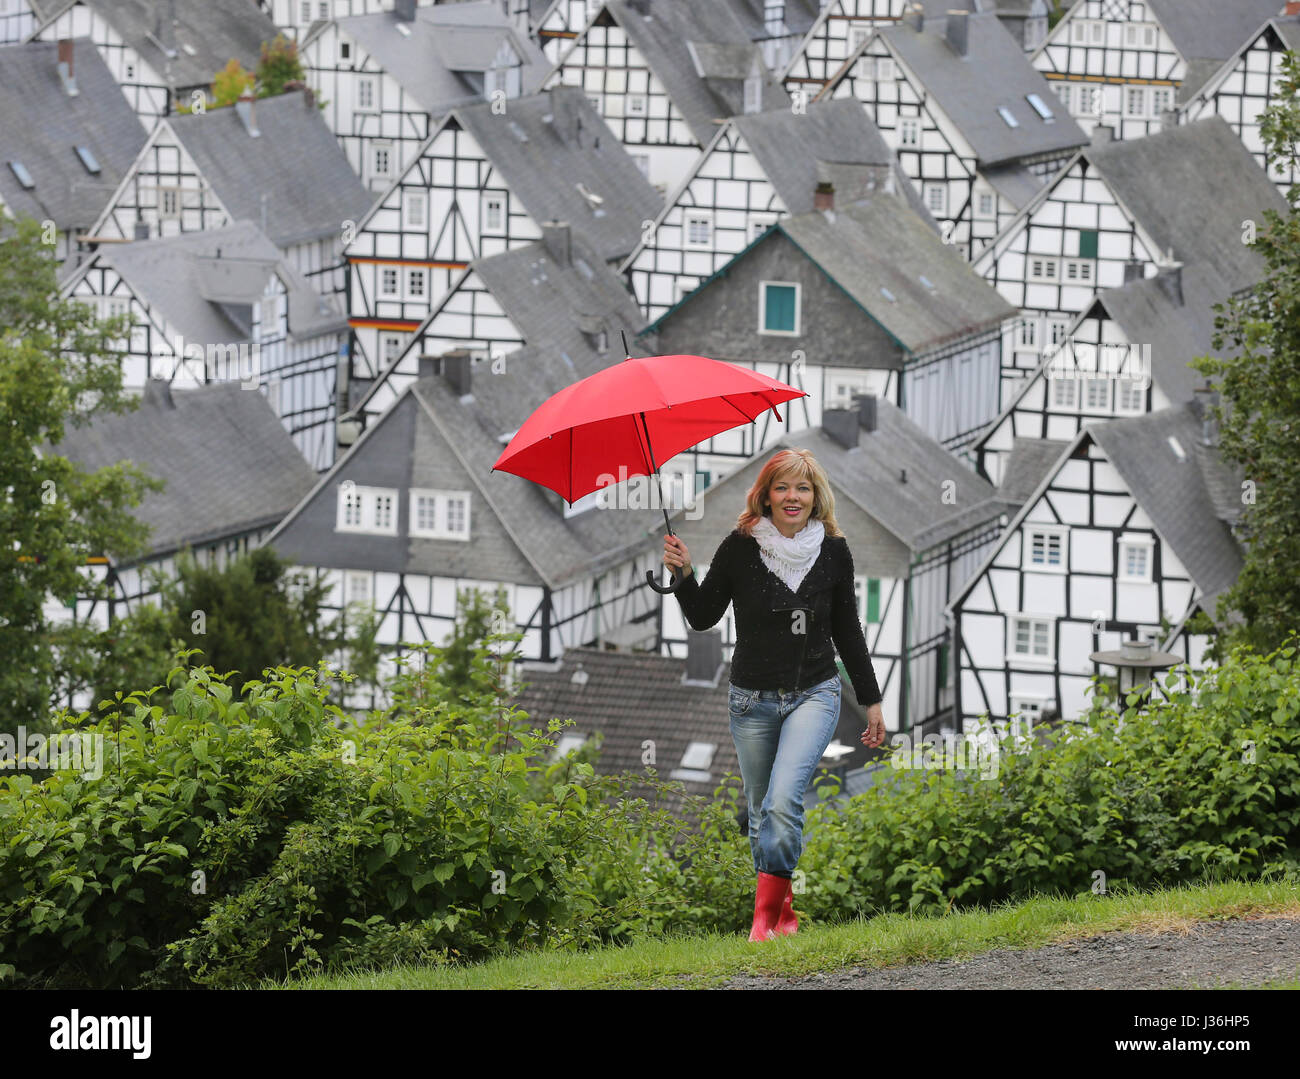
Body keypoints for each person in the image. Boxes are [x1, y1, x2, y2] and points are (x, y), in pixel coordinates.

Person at [662, 448, 886, 942]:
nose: (792, 497)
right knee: (761, 811)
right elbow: (703, 616)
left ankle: (761, 923)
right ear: (765, 495)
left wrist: (871, 700)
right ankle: (783, 916)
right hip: (751, 700)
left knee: (784, 800)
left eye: (802, 488)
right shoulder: (741, 547)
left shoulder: (833, 551)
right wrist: (682, 575)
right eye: (782, 487)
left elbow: (848, 630)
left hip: (815, 692)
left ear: (815, 497)